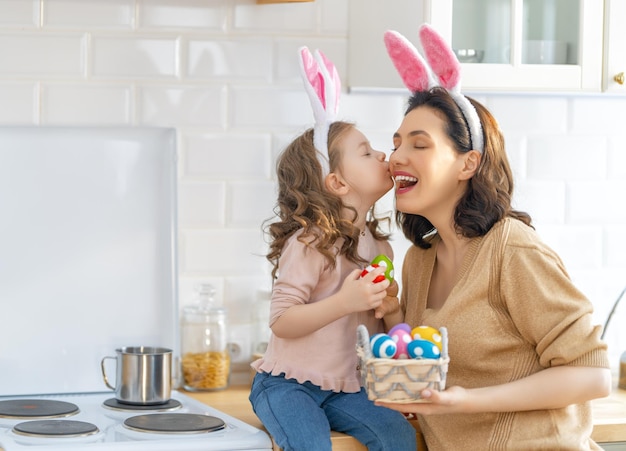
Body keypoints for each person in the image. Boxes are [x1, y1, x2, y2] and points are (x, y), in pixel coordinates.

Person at [374, 25, 612, 450]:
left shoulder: (512, 250)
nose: (396, 158)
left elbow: (592, 374)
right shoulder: (420, 258)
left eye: (419, 144)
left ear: (468, 164)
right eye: (396, 144)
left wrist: (467, 401)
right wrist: (391, 317)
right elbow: (423, 362)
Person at [248, 47, 417, 451]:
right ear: (338, 183)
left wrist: (390, 310)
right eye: (365, 151)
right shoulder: (309, 243)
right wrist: (345, 301)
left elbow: (376, 333)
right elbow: (282, 320)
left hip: (346, 387)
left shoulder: (380, 248)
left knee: (398, 436)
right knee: (311, 445)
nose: (382, 154)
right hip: (287, 385)